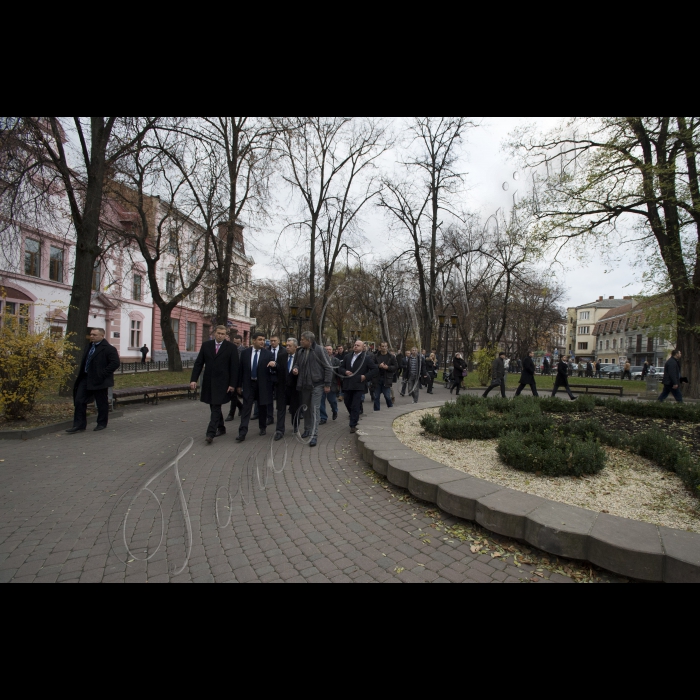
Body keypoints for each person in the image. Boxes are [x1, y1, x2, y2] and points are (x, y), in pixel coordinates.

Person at [190, 326, 239, 445]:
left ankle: (210, 433)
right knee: (213, 406)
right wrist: (193, 380)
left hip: (223, 383)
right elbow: (199, 363)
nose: (220, 335)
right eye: (218, 333)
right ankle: (221, 427)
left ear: (226, 335)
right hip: (209, 381)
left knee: (216, 406)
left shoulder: (231, 348)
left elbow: (234, 367)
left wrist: (232, 384)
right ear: (214, 333)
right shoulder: (206, 345)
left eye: (223, 334)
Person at [67, 328, 121, 434]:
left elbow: (115, 363)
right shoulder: (89, 347)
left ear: (102, 336)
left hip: (100, 380)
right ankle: (79, 425)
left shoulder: (109, 349)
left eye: (95, 335)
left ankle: (101, 423)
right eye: (91, 334)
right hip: (85, 378)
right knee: (79, 400)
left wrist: (102, 374)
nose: (92, 336)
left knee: (101, 402)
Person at [292, 332, 332, 448]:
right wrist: (295, 368)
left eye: (303, 340)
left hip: (317, 385)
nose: (301, 341)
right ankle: (307, 429)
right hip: (304, 385)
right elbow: (297, 364)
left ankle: (314, 435)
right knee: (306, 409)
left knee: (315, 409)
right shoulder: (300, 351)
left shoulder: (320, 350)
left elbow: (328, 367)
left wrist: (327, 384)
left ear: (309, 341)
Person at [236, 333, 275, 443]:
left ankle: (262, 427)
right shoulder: (245, 353)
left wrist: (274, 365)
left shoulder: (268, 354)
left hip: (262, 385)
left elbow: (274, 370)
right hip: (249, 384)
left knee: (262, 407)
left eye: (263, 339)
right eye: (260, 339)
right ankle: (242, 432)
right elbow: (240, 370)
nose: (262, 342)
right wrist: (239, 385)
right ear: (253, 341)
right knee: (246, 408)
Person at [340, 340, 378, 433]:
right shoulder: (347, 356)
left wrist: (365, 376)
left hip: (358, 385)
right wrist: (345, 371)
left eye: (358, 345)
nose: (355, 346)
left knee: (355, 405)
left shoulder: (366, 358)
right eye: (355, 345)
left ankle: (353, 424)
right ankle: (353, 416)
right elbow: (340, 367)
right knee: (347, 402)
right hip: (347, 384)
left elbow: (375, 369)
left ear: (362, 347)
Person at [274, 338, 301, 441]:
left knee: (295, 409)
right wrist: (274, 365)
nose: (287, 348)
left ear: (295, 347)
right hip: (282, 388)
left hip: (295, 389)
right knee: (280, 409)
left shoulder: (300, 357)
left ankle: (295, 427)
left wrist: (297, 372)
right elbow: (278, 369)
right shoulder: (281, 356)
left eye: (290, 346)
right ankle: (279, 431)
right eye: (286, 346)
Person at [226, 335, 246, 422]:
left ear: (241, 342)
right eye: (235, 342)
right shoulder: (229, 349)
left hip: (240, 375)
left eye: (238, 343)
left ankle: (231, 413)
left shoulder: (244, 351)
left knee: (234, 394)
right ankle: (239, 407)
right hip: (230, 375)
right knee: (231, 395)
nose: (236, 344)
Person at [374, 342, 399, 411]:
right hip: (377, 378)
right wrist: (379, 365)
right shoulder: (376, 356)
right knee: (376, 397)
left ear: (387, 347)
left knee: (387, 396)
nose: (384, 348)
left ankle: (390, 409)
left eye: (385, 346)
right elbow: (372, 365)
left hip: (387, 378)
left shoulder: (391, 357)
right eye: (382, 346)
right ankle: (376, 411)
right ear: (380, 347)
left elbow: (396, 366)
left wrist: (388, 367)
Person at [267, 336, 285, 426]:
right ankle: (270, 417)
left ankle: (280, 414)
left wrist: (276, 365)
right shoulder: (266, 350)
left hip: (279, 377)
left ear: (278, 341)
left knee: (279, 397)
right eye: (271, 341)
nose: (273, 342)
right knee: (269, 398)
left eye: (274, 341)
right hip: (269, 377)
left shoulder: (284, 351)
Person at [320, 345, 341, 424]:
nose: (328, 351)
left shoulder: (336, 360)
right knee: (321, 401)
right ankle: (323, 417)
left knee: (332, 401)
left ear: (332, 351)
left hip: (332, 384)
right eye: (326, 349)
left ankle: (335, 410)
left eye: (330, 349)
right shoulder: (320, 360)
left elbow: (339, 373)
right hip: (321, 383)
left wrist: (340, 384)